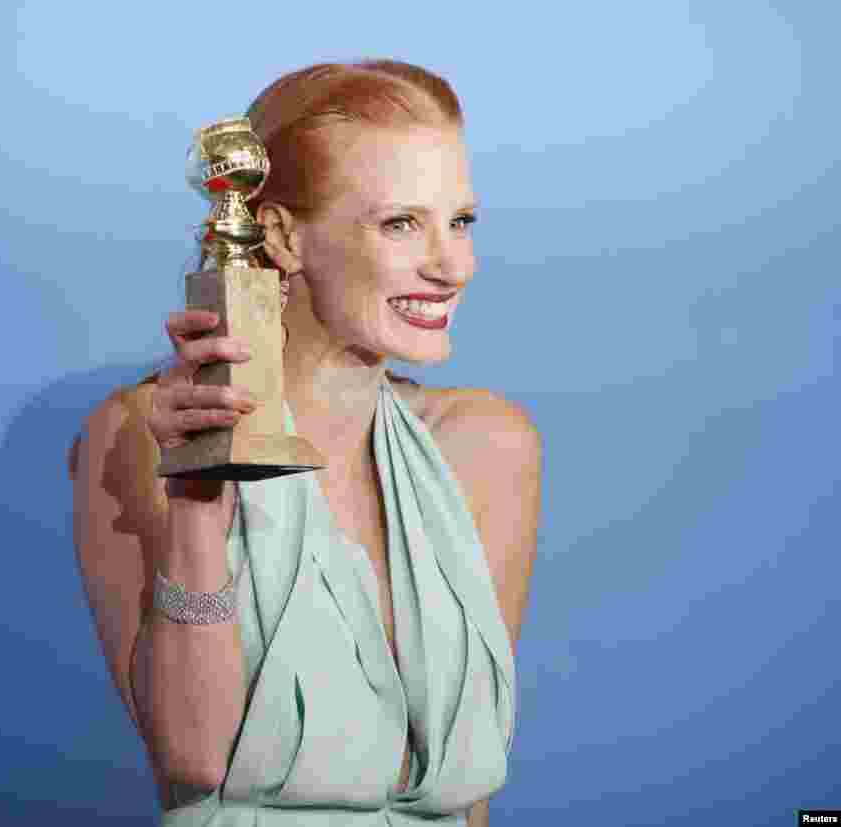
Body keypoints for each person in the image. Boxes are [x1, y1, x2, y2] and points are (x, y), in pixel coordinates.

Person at [69, 59, 542, 826]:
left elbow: (470, 795)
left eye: (460, 221)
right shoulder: (135, 434)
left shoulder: (489, 447)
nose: (452, 266)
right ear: (285, 236)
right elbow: (193, 759)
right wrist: (197, 490)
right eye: (400, 223)